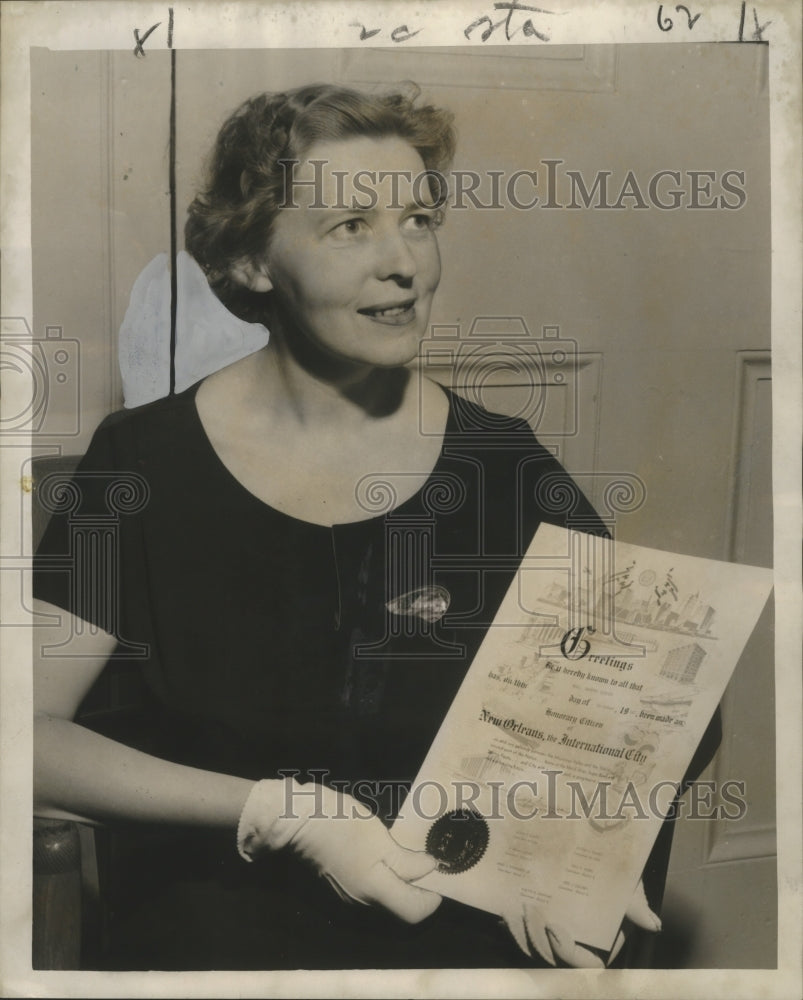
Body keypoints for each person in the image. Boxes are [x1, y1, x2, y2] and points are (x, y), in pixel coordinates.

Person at [32, 82, 718, 970]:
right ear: (250, 262)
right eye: (350, 226)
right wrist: (277, 816)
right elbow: (24, 740)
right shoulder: (141, 463)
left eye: (419, 219)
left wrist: (590, 846)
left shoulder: (501, 466)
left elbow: (670, 707)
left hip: (457, 943)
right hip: (215, 945)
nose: (405, 264)